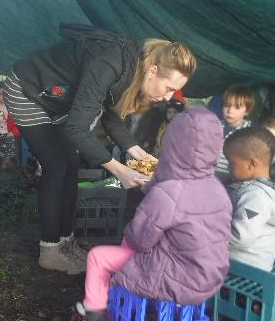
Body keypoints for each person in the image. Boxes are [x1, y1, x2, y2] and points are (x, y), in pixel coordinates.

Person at [2, 23, 196, 273]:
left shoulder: (132, 71)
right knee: (56, 166)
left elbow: (111, 118)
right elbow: (77, 129)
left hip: (57, 101)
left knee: (71, 166)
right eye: (169, 88)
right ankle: (49, 250)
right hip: (28, 90)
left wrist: (139, 153)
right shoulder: (110, 64)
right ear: (153, 71)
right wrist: (119, 170)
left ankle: (65, 242)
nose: (169, 97)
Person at [76, 108, 232, 321]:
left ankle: (94, 312)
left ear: (171, 146)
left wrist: (131, 230)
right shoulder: (217, 188)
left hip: (172, 276)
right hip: (209, 277)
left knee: (98, 256)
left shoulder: (169, 192)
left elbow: (140, 241)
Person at [224, 127, 275, 271]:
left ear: (251, 164)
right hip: (235, 269)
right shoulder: (248, 188)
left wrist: (208, 234)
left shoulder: (257, 195)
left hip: (242, 275)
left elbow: (241, 236)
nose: (228, 167)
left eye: (231, 162)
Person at [215, 85, 253, 183]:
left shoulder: (248, 134)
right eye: (227, 105)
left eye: (237, 107)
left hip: (230, 180)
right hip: (208, 174)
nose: (230, 111)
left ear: (247, 111)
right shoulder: (214, 126)